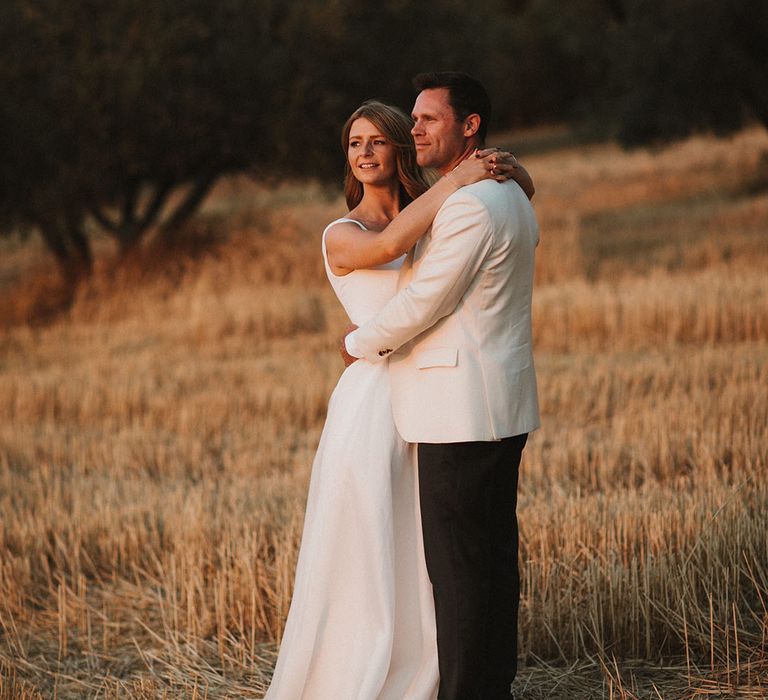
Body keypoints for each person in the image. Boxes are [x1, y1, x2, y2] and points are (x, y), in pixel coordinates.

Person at [264, 98, 533, 699]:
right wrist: (460, 177)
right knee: (370, 542)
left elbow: (486, 219)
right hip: (371, 399)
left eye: (376, 141)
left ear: (400, 151)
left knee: (427, 548)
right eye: (353, 144)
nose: (363, 153)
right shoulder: (344, 233)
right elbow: (389, 251)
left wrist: (509, 171)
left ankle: (433, 671)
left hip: (436, 395)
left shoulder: (433, 214)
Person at [343, 73, 540, 700]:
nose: (416, 128)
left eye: (428, 119)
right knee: (486, 566)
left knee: (460, 574)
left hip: (460, 411)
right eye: (414, 119)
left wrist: (355, 344)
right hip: (490, 406)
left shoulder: (472, 203)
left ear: (470, 125)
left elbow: (425, 299)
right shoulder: (503, 192)